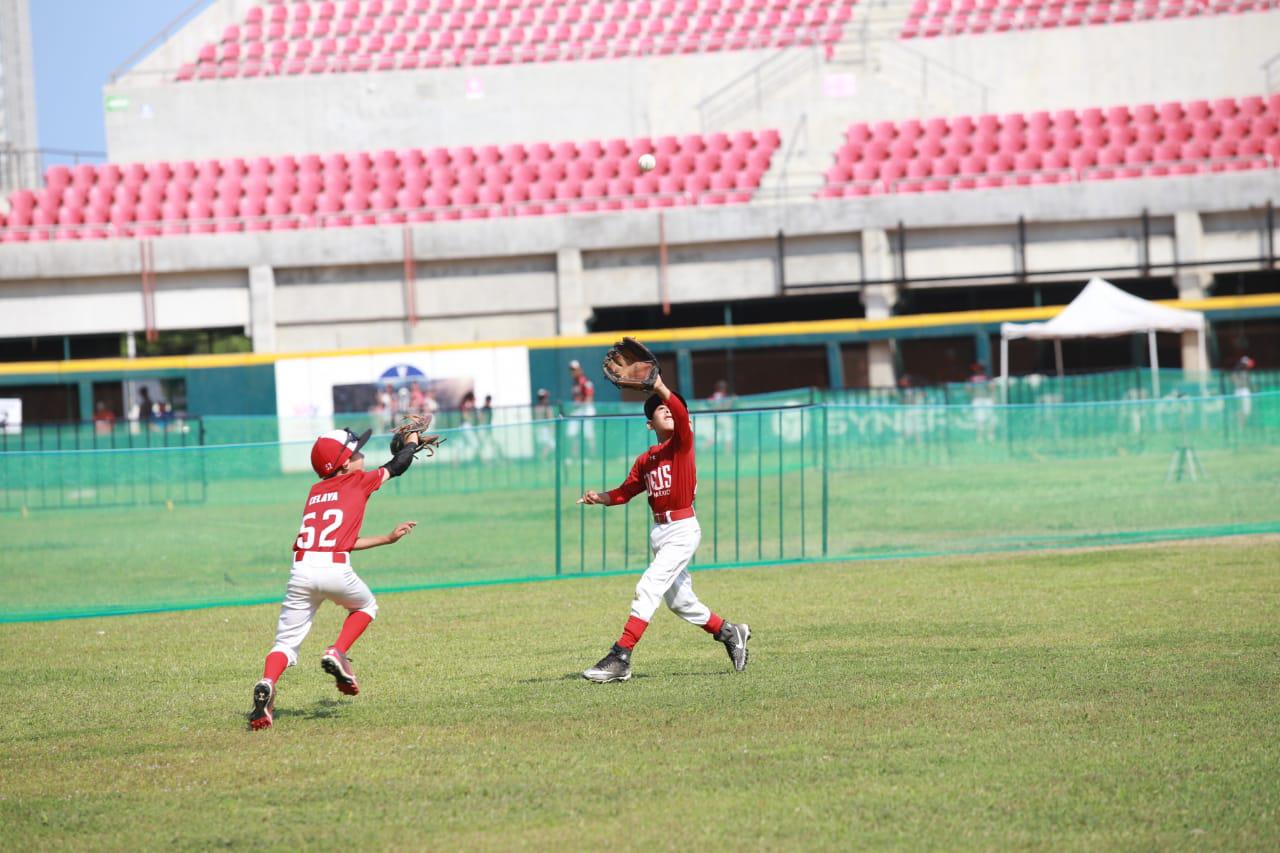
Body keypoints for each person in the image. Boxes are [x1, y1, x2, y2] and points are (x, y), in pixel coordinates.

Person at [576, 371, 750, 683]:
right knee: (681, 602)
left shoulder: (682, 444)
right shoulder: (646, 460)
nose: (667, 409)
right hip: (660, 533)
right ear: (649, 424)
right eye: (659, 408)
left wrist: (659, 386)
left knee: (648, 587)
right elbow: (625, 492)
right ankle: (730, 632)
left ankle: (621, 656)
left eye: (671, 406)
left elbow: (680, 412)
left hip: (683, 529)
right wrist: (600, 498)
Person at [248, 426, 423, 730]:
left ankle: (267, 683)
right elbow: (398, 465)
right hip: (334, 568)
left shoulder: (315, 493)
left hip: (301, 570)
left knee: (286, 644)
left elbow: (340, 539)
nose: (362, 455)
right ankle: (337, 651)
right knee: (366, 608)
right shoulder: (357, 481)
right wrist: (411, 442)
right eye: (356, 452)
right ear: (343, 464)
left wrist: (386, 538)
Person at [566, 359, 596, 453]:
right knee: (572, 433)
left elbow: (589, 397)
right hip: (577, 410)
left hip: (586, 409)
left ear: (579, 370)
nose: (573, 371)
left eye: (574, 369)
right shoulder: (575, 383)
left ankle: (592, 456)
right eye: (571, 369)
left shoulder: (585, 381)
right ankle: (575, 456)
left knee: (588, 434)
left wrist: (582, 406)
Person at [533, 388, 556, 460]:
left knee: (544, 446)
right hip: (545, 429)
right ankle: (541, 458)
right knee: (551, 445)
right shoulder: (546, 407)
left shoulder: (536, 408)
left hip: (538, 428)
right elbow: (550, 419)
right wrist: (552, 429)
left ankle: (542, 458)